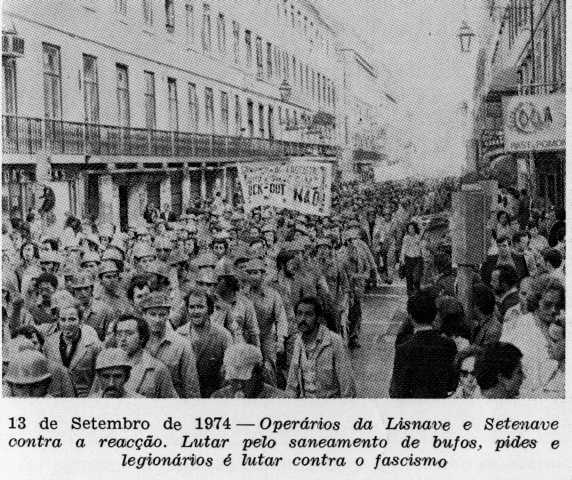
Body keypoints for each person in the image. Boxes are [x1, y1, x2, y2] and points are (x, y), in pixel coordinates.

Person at [500, 274, 564, 397]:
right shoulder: (515, 328)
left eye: (558, 305)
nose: (553, 310)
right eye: (547, 304)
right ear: (535, 301)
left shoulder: (560, 328)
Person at [389, 289, 458, 398]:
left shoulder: (404, 349)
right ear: (435, 314)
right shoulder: (449, 344)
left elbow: (398, 390)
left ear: (410, 317)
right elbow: (452, 383)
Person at [286, 296, 356, 398]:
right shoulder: (298, 341)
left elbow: (348, 387)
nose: (302, 319)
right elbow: (292, 384)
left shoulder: (334, 341)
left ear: (318, 318)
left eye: (308, 315)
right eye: (299, 314)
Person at [140, 291, 200, 398]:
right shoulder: (138, 342)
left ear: (168, 315)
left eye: (162, 314)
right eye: (152, 314)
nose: (157, 320)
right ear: (144, 315)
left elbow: (191, 385)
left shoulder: (182, 345)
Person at [177, 289, 231, 398]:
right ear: (187, 310)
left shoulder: (223, 335)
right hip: (188, 395)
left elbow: (230, 368)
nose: (196, 311)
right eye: (192, 307)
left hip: (215, 393)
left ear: (209, 309)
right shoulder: (179, 334)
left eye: (200, 307)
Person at [43, 298, 102, 397]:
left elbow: (98, 379)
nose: (67, 324)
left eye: (72, 319)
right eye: (62, 320)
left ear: (81, 321)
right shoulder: (49, 343)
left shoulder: (93, 345)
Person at [242, 258, 288, 385]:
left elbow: (281, 318)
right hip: (248, 337)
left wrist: (281, 340)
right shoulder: (243, 295)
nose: (253, 276)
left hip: (267, 335)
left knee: (269, 366)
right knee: (247, 369)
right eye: (250, 273)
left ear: (263, 274)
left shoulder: (273, 295)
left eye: (256, 272)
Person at [112, 314, 178, 398]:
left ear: (142, 337)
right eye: (119, 334)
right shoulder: (107, 364)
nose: (123, 339)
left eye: (129, 333)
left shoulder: (157, 369)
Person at [11, 325, 76, 398]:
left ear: (42, 346)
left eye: (34, 343)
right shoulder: (9, 375)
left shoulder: (60, 371)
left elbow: (70, 403)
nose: (29, 348)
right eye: (22, 344)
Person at [211, 344, 285, 398]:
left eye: (245, 380)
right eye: (234, 380)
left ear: (259, 374)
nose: (239, 385)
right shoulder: (219, 397)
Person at [399, 221, 424, 297]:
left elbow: (422, 248)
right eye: (409, 228)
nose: (410, 230)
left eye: (412, 228)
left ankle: (417, 291)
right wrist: (402, 259)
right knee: (409, 276)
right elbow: (403, 249)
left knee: (417, 276)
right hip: (408, 259)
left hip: (417, 259)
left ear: (415, 229)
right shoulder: (406, 238)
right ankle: (409, 292)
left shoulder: (418, 237)